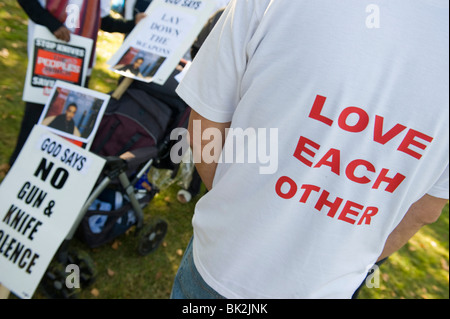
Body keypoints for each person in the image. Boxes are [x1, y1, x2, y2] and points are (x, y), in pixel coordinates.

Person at [170, 0, 449, 299]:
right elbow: (426, 210)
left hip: (222, 262)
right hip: (327, 287)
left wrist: (239, 201)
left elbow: (204, 128)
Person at [7, 0, 146, 167]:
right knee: (36, 114)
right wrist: (52, 25)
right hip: (47, 55)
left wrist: (132, 24)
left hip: (79, 61)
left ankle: (45, 169)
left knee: (66, 123)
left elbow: (103, 21)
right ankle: (17, 165)